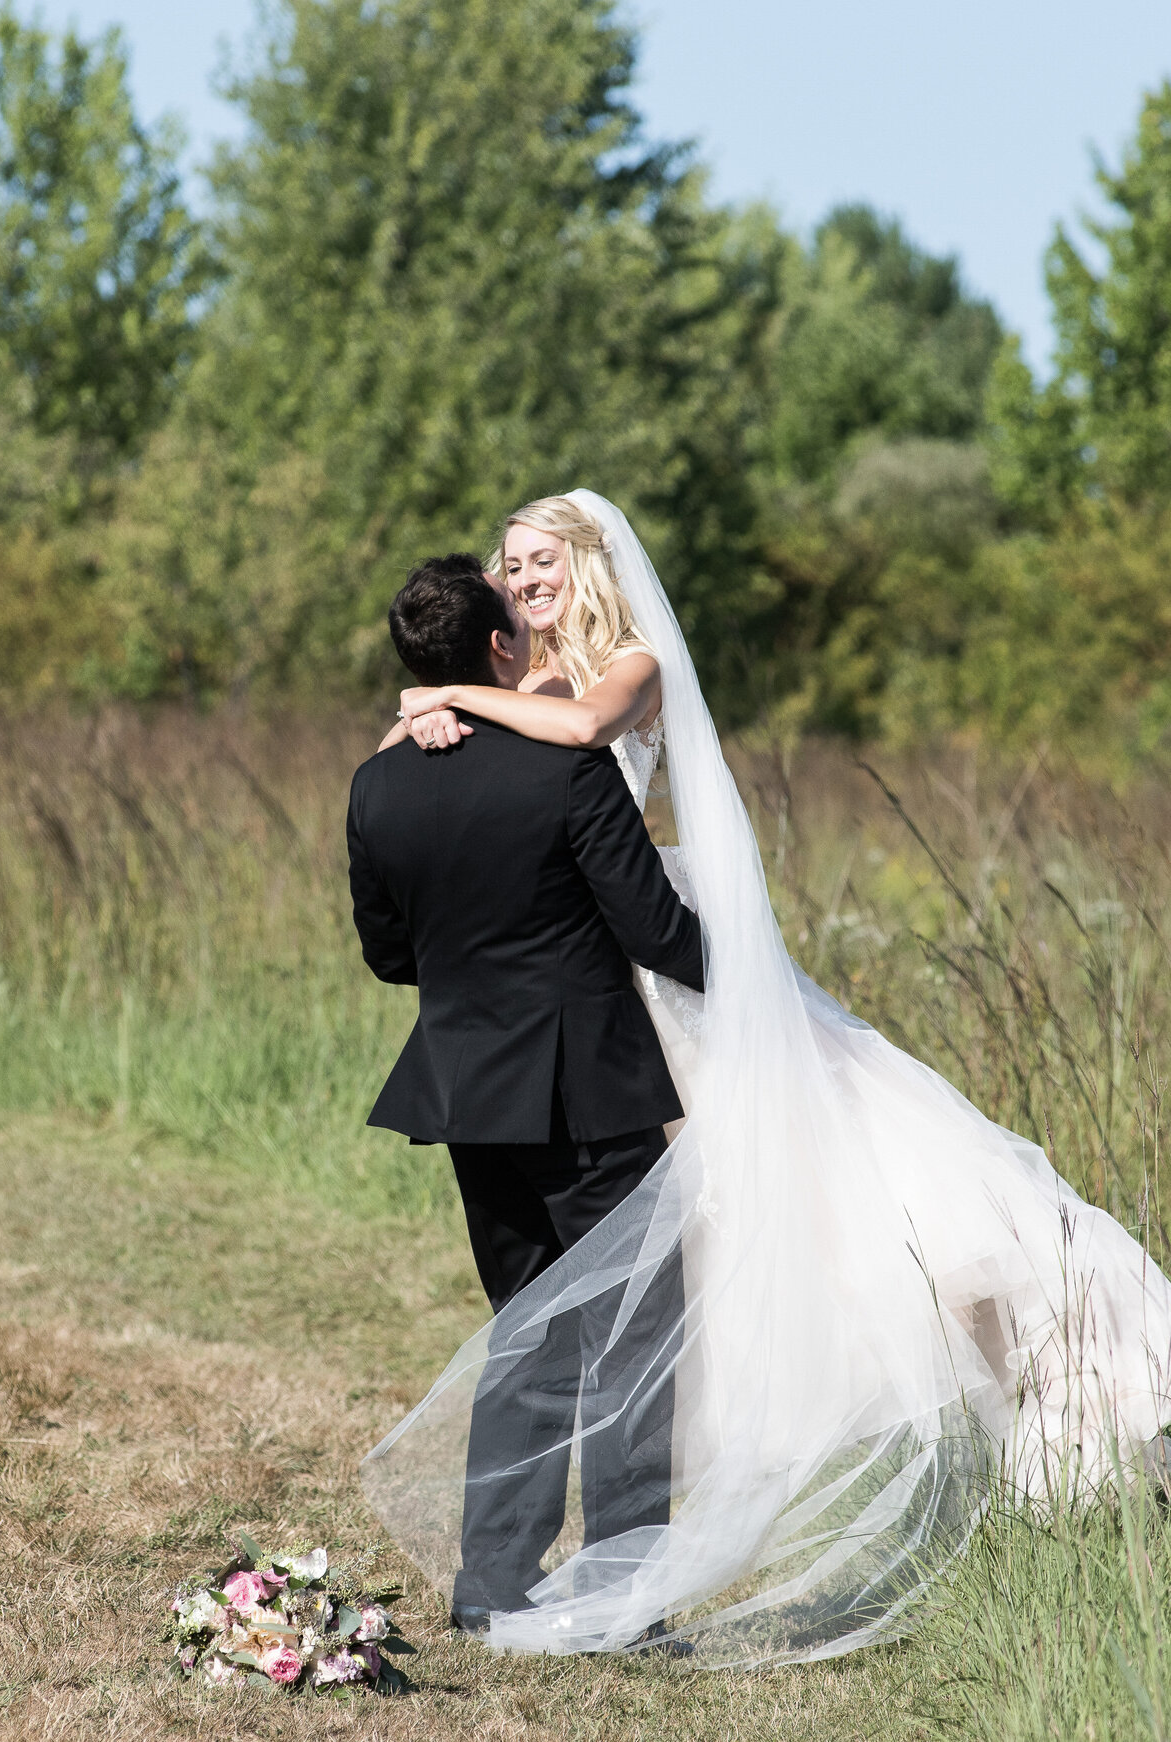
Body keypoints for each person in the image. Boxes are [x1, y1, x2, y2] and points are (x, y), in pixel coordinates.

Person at [362, 492, 1171, 1668]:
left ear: (587, 564)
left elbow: (584, 734)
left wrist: (442, 701)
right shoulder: (497, 710)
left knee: (819, 1221)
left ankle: (1068, 1398)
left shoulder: (617, 674)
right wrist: (443, 718)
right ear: (496, 613)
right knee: (604, 1318)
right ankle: (602, 1578)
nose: (524, 576)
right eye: (510, 565)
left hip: (632, 990)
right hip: (595, 1005)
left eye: (542, 559)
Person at [345, 552, 703, 1632]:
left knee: (529, 1328)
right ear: (502, 650)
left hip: (465, 1089)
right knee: (637, 1331)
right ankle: (626, 1591)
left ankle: (491, 1584)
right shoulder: (567, 771)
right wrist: (755, 977)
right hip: (587, 1088)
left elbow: (388, 953)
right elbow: (654, 928)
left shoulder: (379, 780)